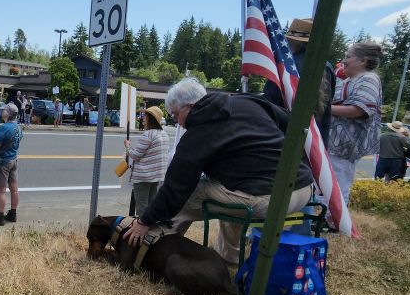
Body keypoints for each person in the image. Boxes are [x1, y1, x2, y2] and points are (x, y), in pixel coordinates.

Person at [122, 78, 313, 267]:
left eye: (175, 115)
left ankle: (154, 245)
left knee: (188, 194)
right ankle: (229, 259)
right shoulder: (247, 101)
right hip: (302, 187)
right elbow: (292, 123)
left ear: (189, 107)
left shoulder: (197, 134)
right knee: (228, 193)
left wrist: (145, 220)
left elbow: (175, 189)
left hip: (268, 199)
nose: (177, 123)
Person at [262, 18, 336, 145]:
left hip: (284, 141)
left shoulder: (284, 67)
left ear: (291, 41)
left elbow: (269, 103)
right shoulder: (327, 67)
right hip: (316, 142)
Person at [327, 42, 383, 206]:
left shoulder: (369, 79)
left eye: (348, 56)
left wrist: (324, 109)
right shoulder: (349, 80)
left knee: (338, 185)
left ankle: (336, 223)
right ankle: (330, 219)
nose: (344, 60)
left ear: (363, 61)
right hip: (336, 142)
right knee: (330, 183)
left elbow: (358, 110)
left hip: (346, 145)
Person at [124, 106, 170, 216]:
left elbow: (135, 155)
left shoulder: (148, 134)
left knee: (142, 207)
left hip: (143, 176)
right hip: (156, 176)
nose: (143, 118)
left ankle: (141, 230)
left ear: (151, 119)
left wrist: (127, 147)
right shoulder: (164, 134)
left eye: (145, 116)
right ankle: (150, 229)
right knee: (151, 205)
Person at [0, 104, 23, 226]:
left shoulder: (4, 128)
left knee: (1, 190)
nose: (3, 111)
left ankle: (0, 216)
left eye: (5, 110)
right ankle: (13, 213)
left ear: (8, 113)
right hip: (13, 159)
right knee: (14, 189)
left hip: (3, 162)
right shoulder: (18, 127)